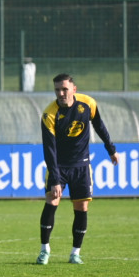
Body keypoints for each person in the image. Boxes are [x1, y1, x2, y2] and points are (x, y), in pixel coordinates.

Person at [36, 73, 118, 265]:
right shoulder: (50, 114)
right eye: (57, 90)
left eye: (64, 89)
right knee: (52, 200)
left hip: (82, 166)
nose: (61, 93)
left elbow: (99, 126)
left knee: (81, 207)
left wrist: (111, 150)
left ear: (74, 88)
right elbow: (49, 149)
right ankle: (44, 250)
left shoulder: (88, 103)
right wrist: (55, 178)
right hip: (59, 166)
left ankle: (75, 253)